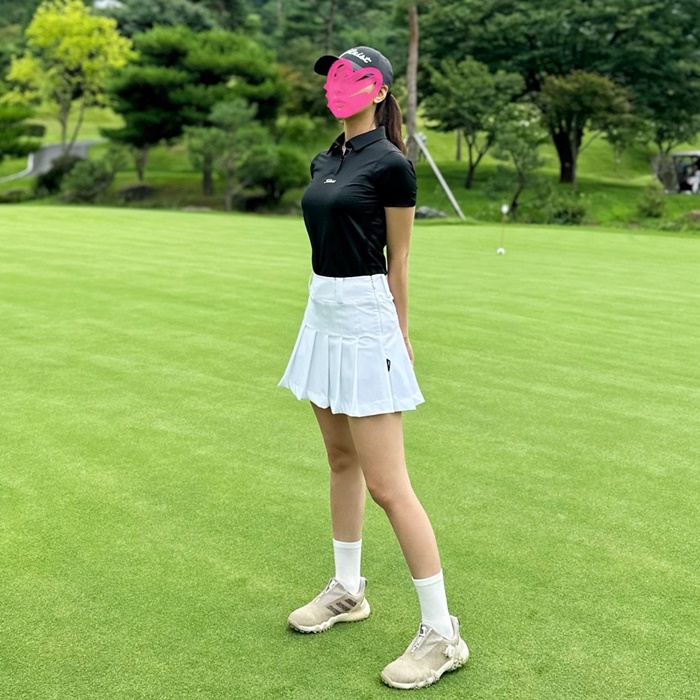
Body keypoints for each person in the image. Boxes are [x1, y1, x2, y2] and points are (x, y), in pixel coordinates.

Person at [279, 46, 469, 690]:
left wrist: (400, 334)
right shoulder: (325, 159)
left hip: (366, 319)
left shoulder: (391, 164)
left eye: (352, 77)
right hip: (322, 313)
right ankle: (347, 589)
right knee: (340, 461)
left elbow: (400, 260)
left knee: (390, 486)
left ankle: (442, 634)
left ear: (380, 92)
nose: (337, 85)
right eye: (332, 75)